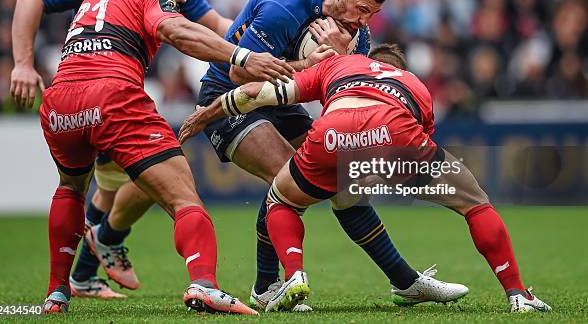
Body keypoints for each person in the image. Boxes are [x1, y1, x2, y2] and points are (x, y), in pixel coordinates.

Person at [24, 0, 293, 314]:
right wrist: (242, 55)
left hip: (61, 101)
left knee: (70, 188)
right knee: (183, 197)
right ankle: (204, 284)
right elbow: (176, 31)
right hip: (111, 96)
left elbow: (131, 20)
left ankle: (56, 294)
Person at [178, 44, 552, 313]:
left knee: (281, 200)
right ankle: (517, 294)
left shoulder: (340, 66)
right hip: (397, 134)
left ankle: (294, 275)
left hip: (334, 133)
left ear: (366, 60)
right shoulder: (414, 83)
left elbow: (260, 93)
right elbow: (420, 135)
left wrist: (210, 112)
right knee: (474, 203)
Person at [10, 0, 234, 298]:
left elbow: (218, 25)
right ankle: (120, 244)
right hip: (112, 92)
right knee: (169, 181)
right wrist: (23, 64)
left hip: (66, 98)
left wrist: (265, 33)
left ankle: (68, 283)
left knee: (92, 185)